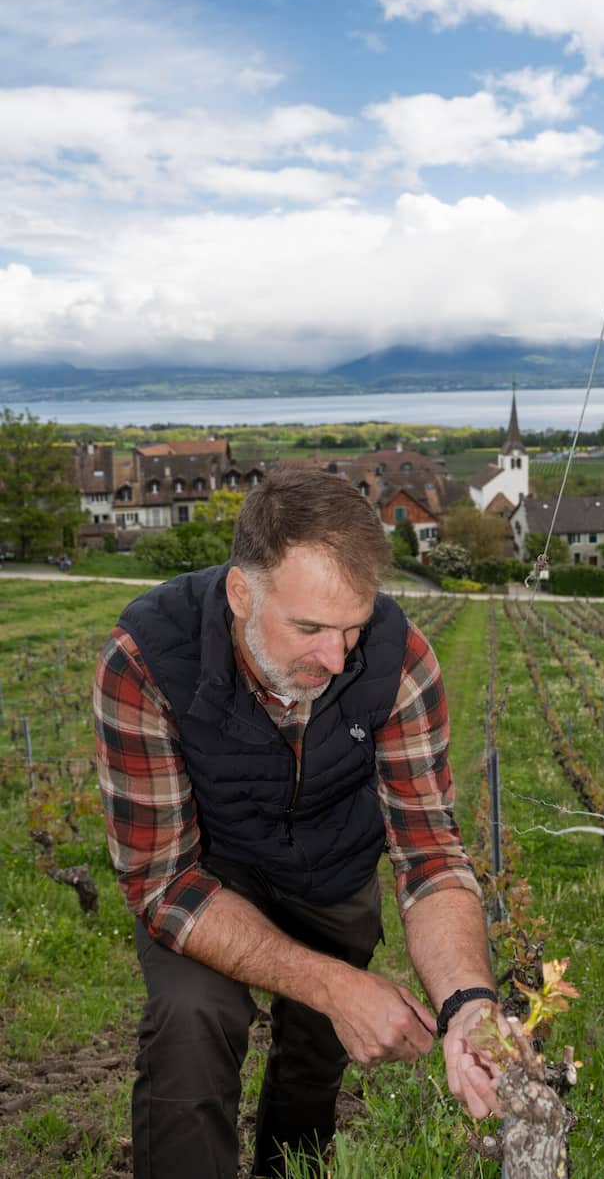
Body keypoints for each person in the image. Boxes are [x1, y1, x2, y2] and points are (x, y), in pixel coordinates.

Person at [93, 465, 501, 1179]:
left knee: (316, 1058)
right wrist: (337, 985)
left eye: (352, 627)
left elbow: (430, 853)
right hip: (207, 879)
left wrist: (469, 1002)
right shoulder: (145, 664)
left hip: (331, 874)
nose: (335, 657)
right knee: (190, 1025)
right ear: (241, 592)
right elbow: (162, 883)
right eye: (309, 627)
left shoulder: (399, 663)